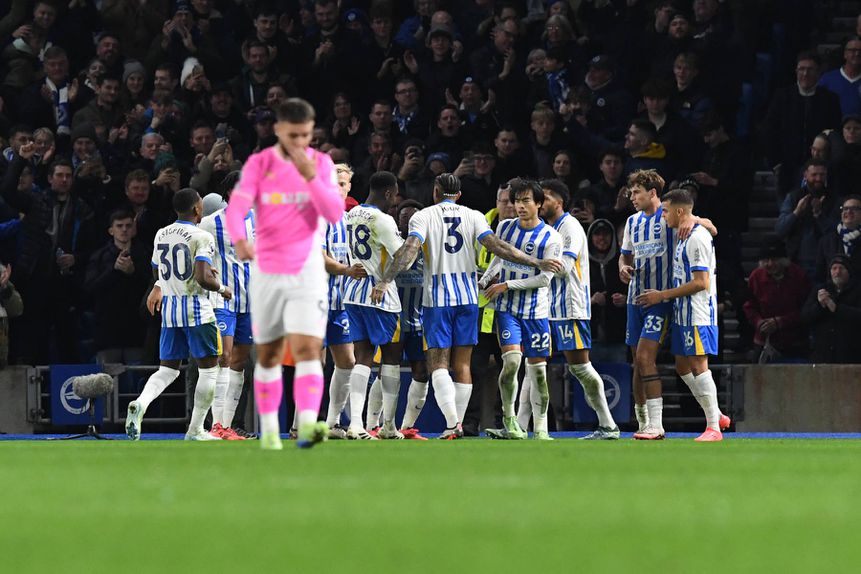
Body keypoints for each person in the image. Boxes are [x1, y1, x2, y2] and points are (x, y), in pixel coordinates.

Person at [374, 173, 562, 439]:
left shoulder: (423, 216)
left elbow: (411, 248)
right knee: (463, 365)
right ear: (459, 195)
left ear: (436, 192)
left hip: (437, 299)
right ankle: (458, 424)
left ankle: (453, 423)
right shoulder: (474, 215)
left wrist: (385, 280)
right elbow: (497, 247)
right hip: (468, 298)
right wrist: (535, 261)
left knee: (438, 363)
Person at [225, 97, 344, 450]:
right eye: (293, 135)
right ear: (278, 130)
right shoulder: (260, 164)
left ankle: (306, 426)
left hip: (308, 269)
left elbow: (334, 213)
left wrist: (312, 178)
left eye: (306, 135)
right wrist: (240, 240)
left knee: (310, 349)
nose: (300, 143)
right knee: (270, 353)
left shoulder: (321, 164)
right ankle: (269, 431)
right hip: (269, 269)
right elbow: (236, 209)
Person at [125, 188, 232, 442]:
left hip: (171, 312)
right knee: (209, 370)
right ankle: (196, 429)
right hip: (197, 311)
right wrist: (222, 288)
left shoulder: (162, 233)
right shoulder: (202, 236)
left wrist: (166, 286)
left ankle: (141, 402)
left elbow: (157, 271)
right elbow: (202, 278)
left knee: (168, 370)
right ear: (197, 209)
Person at [619, 169, 715, 440]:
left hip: (662, 300)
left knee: (645, 357)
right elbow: (625, 256)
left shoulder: (669, 217)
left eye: (636, 192)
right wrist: (623, 268)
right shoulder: (631, 222)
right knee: (638, 362)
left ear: (652, 193)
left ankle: (657, 424)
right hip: (635, 299)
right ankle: (644, 423)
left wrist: (695, 218)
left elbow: (710, 227)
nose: (631, 197)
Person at [636, 189, 728, 441]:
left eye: (665, 211)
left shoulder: (696, 238)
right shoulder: (684, 234)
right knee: (682, 365)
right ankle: (716, 413)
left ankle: (713, 427)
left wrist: (662, 295)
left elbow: (701, 282)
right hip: (683, 312)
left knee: (699, 365)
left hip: (698, 313)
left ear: (678, 211)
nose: (662, 216)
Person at [479, 178, 563, 440]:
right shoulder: (505, 227)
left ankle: (541, 428)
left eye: (526, 200)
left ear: (539, 203)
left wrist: (506, 284)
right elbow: (499, 257)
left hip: (536, 312)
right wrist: (485, 280)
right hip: (508, 310)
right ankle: (510, 422)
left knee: (537, 373)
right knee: (512, 362)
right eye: (517, 201)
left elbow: (544, 279)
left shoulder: (552, 237)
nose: (520, 206)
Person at [538, 179, 619, 439]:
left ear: (559, 201)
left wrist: (529, 264)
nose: (540, 202)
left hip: (570, 307)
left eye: (545, 197)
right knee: (533, 364)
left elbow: (564, 267)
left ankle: (608, 424)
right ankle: (528, 426)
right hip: (548, 307)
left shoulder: (570, 226)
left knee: (580, 367)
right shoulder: (549, 228)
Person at [341, 171, 404, 440]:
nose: (395, 200)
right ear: (388, 193)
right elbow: (402, 256)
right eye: (395, 195)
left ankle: (356, 423)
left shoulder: (350, 215)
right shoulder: (384, 220)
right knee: (391, 356)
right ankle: (388, 425)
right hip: (380, 295)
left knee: (363, 356)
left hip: (353, 292)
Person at [198, 193, 255, 441]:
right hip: (223, 299)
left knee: (239, 362)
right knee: (224, 357)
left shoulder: (259, 220)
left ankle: (227, 425)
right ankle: (216, 425)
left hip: (250, 301)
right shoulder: (211, 222)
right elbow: (191, 243)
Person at [321, 164, 367, 439]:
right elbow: (319, 257)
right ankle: (299, 424)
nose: (338, 188)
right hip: (315, 301)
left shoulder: (349, 219)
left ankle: (332, 422)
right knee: (312, 363)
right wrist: (347, 270)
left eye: (342, 184)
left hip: (341, 302)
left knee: (347, 362)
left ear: (349, 187)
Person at [743, 241, 811, 362]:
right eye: (766, 260)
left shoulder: (798, 275)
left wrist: (780, 322)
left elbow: (806, 308)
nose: (770, 264)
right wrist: (759, 322)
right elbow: (749, 305)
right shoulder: (756, 276)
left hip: (794, 341)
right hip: (764, 341)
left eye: (774, 260)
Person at [801, 254, 861, 363]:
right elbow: (805, 317)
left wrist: (837, 309)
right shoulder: (820, 290)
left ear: (849, 271)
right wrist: (820, 305)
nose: (837, 272)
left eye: (841, 268)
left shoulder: (858, 290)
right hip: (822, 354)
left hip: (851, 355)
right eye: (834, 268)